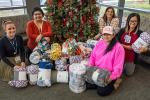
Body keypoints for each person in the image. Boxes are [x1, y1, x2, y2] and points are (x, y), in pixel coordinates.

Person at [87, 26, 125, 96]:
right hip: (97, 71)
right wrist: (90, 68)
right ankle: (98, 84)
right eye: (104, 34)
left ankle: (116, 82)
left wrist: (111, 78)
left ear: (113, 35)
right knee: (87, 84)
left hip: (108, 73)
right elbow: (92, 57)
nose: (106, 36)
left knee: (102, 92)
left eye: (109, 34)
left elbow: (118, 66)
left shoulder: (119, 48)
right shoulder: (99, 43)